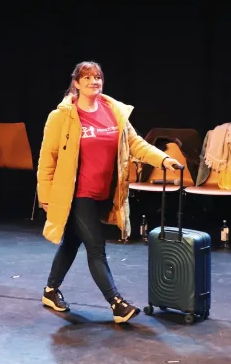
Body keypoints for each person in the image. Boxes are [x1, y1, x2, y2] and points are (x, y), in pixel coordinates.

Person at [37, 61, 182, 323]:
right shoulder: (61, 117)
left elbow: (135, 144)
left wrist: (163, 159)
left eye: (98, 77)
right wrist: (45, 196)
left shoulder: (112, 111)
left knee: (71, 242)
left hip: (103, 192)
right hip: (76, 193)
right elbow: (48, 159)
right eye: (87, 78)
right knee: (96, 248)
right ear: (76, 83)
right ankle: (116, 303)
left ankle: (50, 290)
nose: (93, 82)